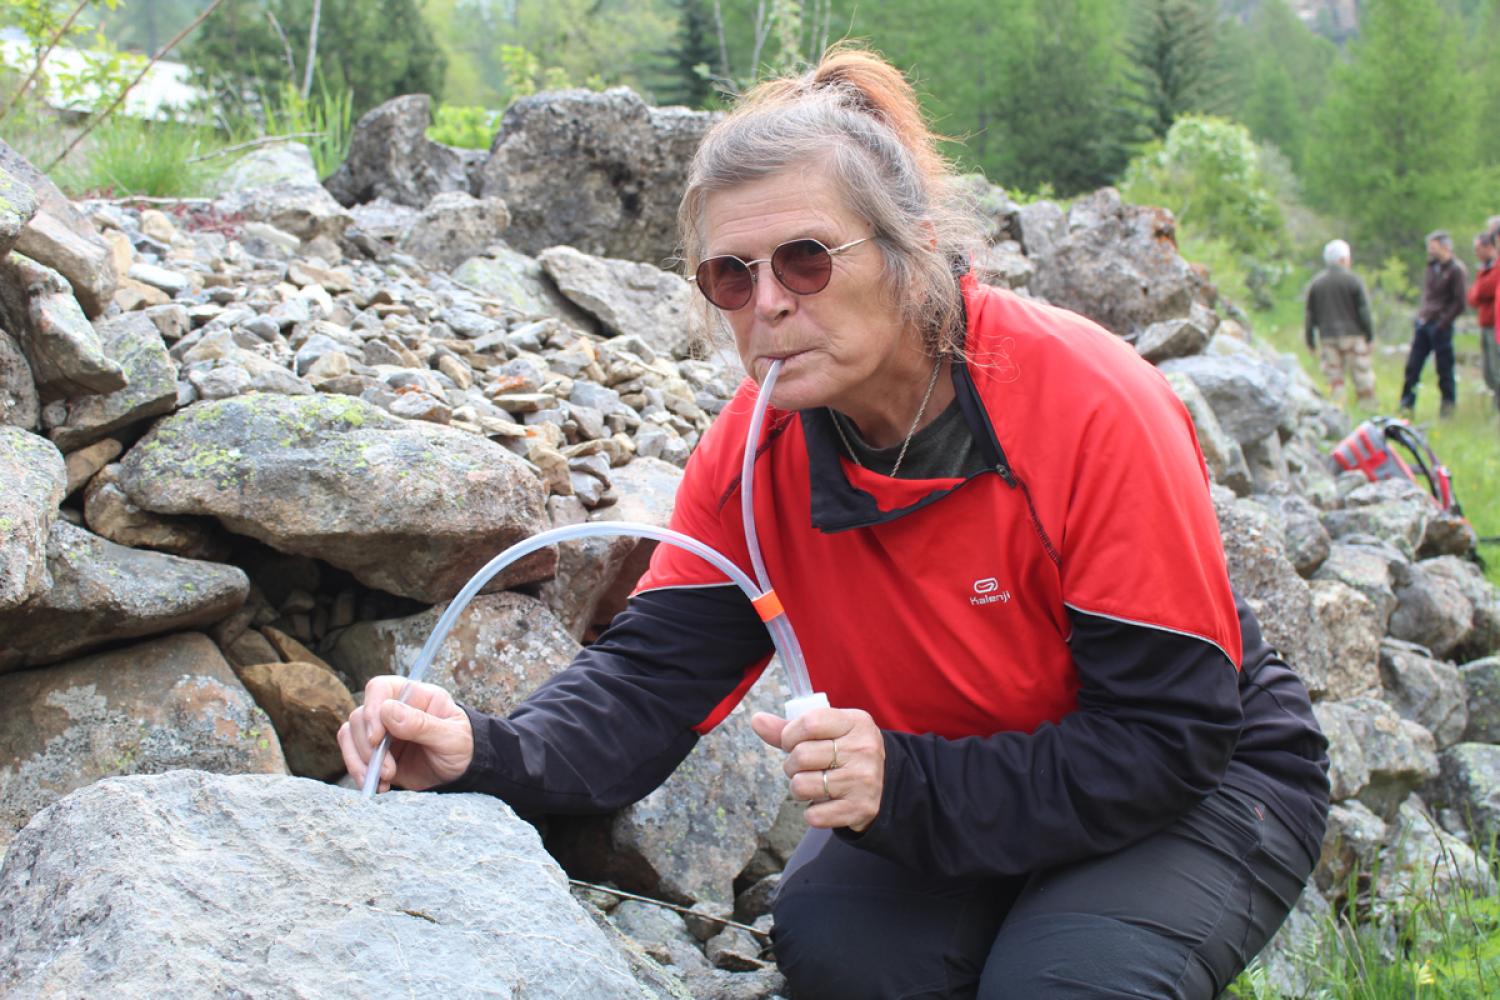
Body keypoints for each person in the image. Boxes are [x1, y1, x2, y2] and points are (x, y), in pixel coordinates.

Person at [340, 48, 1329, 1000]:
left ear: (914, 251)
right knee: (846, 961)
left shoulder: (1090, 404)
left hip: (1198, 779)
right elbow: (649, 683)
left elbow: (1167, 737)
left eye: (805, 259)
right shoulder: (751, 454)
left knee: (1064, 981)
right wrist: (488, 749)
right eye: (731, 275)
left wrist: (905, 783)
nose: (767, 303)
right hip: (939, 772)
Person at [1400, 230, 1468, 418]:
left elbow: (1460, 302)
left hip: (1440, 326)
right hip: (1424, 322)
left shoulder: (1456, 270)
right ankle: (1406, 405)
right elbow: (1428, 296)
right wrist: (1421, 316)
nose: (1430, 250)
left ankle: (1447, 410)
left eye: (1433, 247)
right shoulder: (1431, 267)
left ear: (1445, 248)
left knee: (1444, 369)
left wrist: (1444, 322)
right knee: (1413, 366)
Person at [1305, 238, 1376, 407]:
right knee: (1361, 374)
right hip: (1353, 336)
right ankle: (1367, 408)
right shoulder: (1353, 281)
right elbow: (1364, 311)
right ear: (1344, 259)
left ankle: (1338, 408)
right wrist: (1369, 335)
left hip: (1328, 337)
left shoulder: (1317, 283)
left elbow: (1310, 315)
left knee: (1334, 377)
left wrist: (1310, 341)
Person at [1471, 229, 1500, 414]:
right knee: (1490, 372)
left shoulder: (1495, 268)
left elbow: (1485, 290)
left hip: (1494, 325)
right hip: (1490, 324)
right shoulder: (1486, 268)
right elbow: (1473, 297)